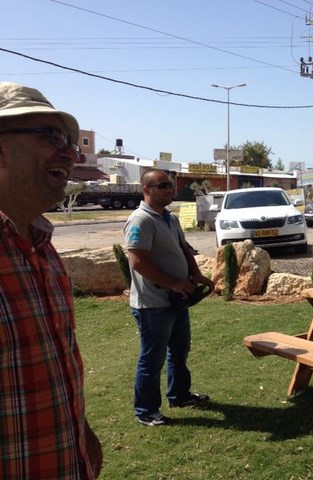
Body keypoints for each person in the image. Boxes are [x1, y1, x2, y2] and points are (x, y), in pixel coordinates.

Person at [0, 82, 102, 478]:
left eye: (71, 143)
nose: (71, 153)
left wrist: (81, 435)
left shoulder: (42, 247)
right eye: (52, 136)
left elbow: (51, 368)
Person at [124, 168, 215, 426]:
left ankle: (179, 395)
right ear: (146, 190)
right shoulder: (141, 220)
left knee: (179, 351)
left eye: (170, 185)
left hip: (177, 300)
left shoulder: (169, 218)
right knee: (151, 359)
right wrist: (174, 282)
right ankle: (146, 411)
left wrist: (195, 274)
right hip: (152, 304)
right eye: (163, 185)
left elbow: (183, 249)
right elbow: (138, 261)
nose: (169, 190)